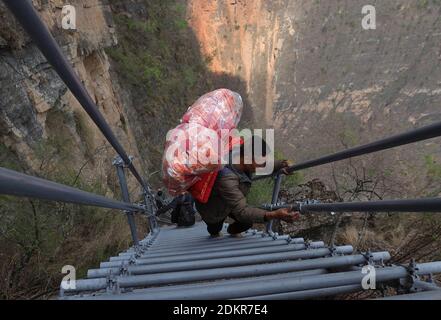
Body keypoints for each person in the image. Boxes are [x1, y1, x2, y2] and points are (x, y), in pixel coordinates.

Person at [195, 135, 300, 237]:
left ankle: (231, 230)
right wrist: (274, 214)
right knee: (215, 229)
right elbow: (242, 211)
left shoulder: (240, 156)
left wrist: (283, 164)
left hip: (232, 201)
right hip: (214, 209)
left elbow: (265, 163)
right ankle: (214, 230)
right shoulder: (226, 177)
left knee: (247, 222)